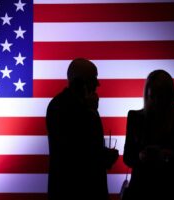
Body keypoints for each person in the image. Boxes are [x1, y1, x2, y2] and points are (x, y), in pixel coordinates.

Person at [46, 58, 119, 200]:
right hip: (71, 191)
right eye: (93, 79)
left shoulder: (78, 105)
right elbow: (75, 152)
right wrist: (90, 111)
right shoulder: (59, 106)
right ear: (79, 82)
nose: (98, 84)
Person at [122, 70, 174, 200]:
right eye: (153, 97)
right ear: (147, 95)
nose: (157, 102)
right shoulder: (136, 117)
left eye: (161, 97)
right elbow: (128, 157)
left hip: (172, 189)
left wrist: (169, 156)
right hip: (145, 189)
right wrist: (141, 157)